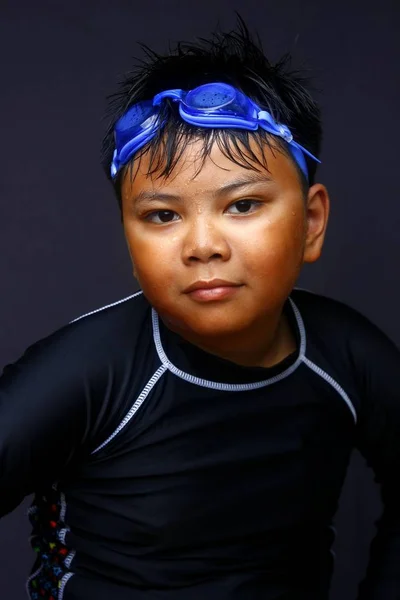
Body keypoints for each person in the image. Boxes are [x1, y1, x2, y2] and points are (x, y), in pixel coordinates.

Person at [1, 18, 399, 600]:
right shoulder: (89, 370)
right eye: (162, 216)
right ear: (129, 243)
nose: (203, 245)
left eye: (242, 205)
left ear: (311, 224)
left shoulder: (346, 356)